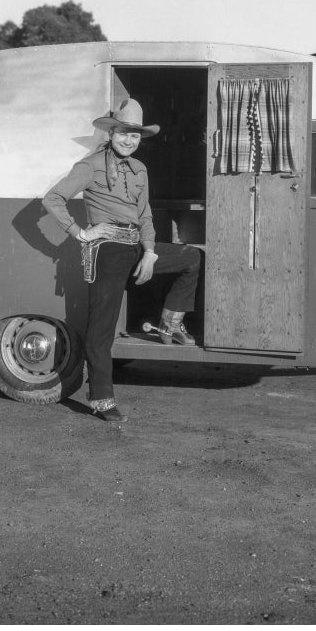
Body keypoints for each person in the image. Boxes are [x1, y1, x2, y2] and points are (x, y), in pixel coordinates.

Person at [43, 98, 202, 422]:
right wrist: (79, 233)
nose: (129, 140)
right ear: (112, 132)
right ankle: (101, 399)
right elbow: (53, 198)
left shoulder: (140, 169)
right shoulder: (90, 165)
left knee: (191, 258)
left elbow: (144, 215)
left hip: (136, 247)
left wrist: (150, 252)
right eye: (123, 133)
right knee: (101, 329)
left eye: (135, 135)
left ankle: (168, 324)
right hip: (108, 250)